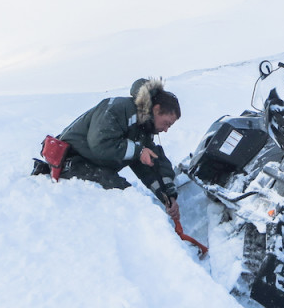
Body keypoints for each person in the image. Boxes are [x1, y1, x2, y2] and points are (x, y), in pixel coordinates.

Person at [35, 78, 182, 220]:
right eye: (166, 123)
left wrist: (168, 197)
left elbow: (149, 165)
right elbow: (100, 143)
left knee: (128, 196)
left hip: (94, 166)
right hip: (73, 162)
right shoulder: (118, 108)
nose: (166, 130)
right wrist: (138, 151)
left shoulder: (143, 129)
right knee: (125, 198)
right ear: (156, 110)